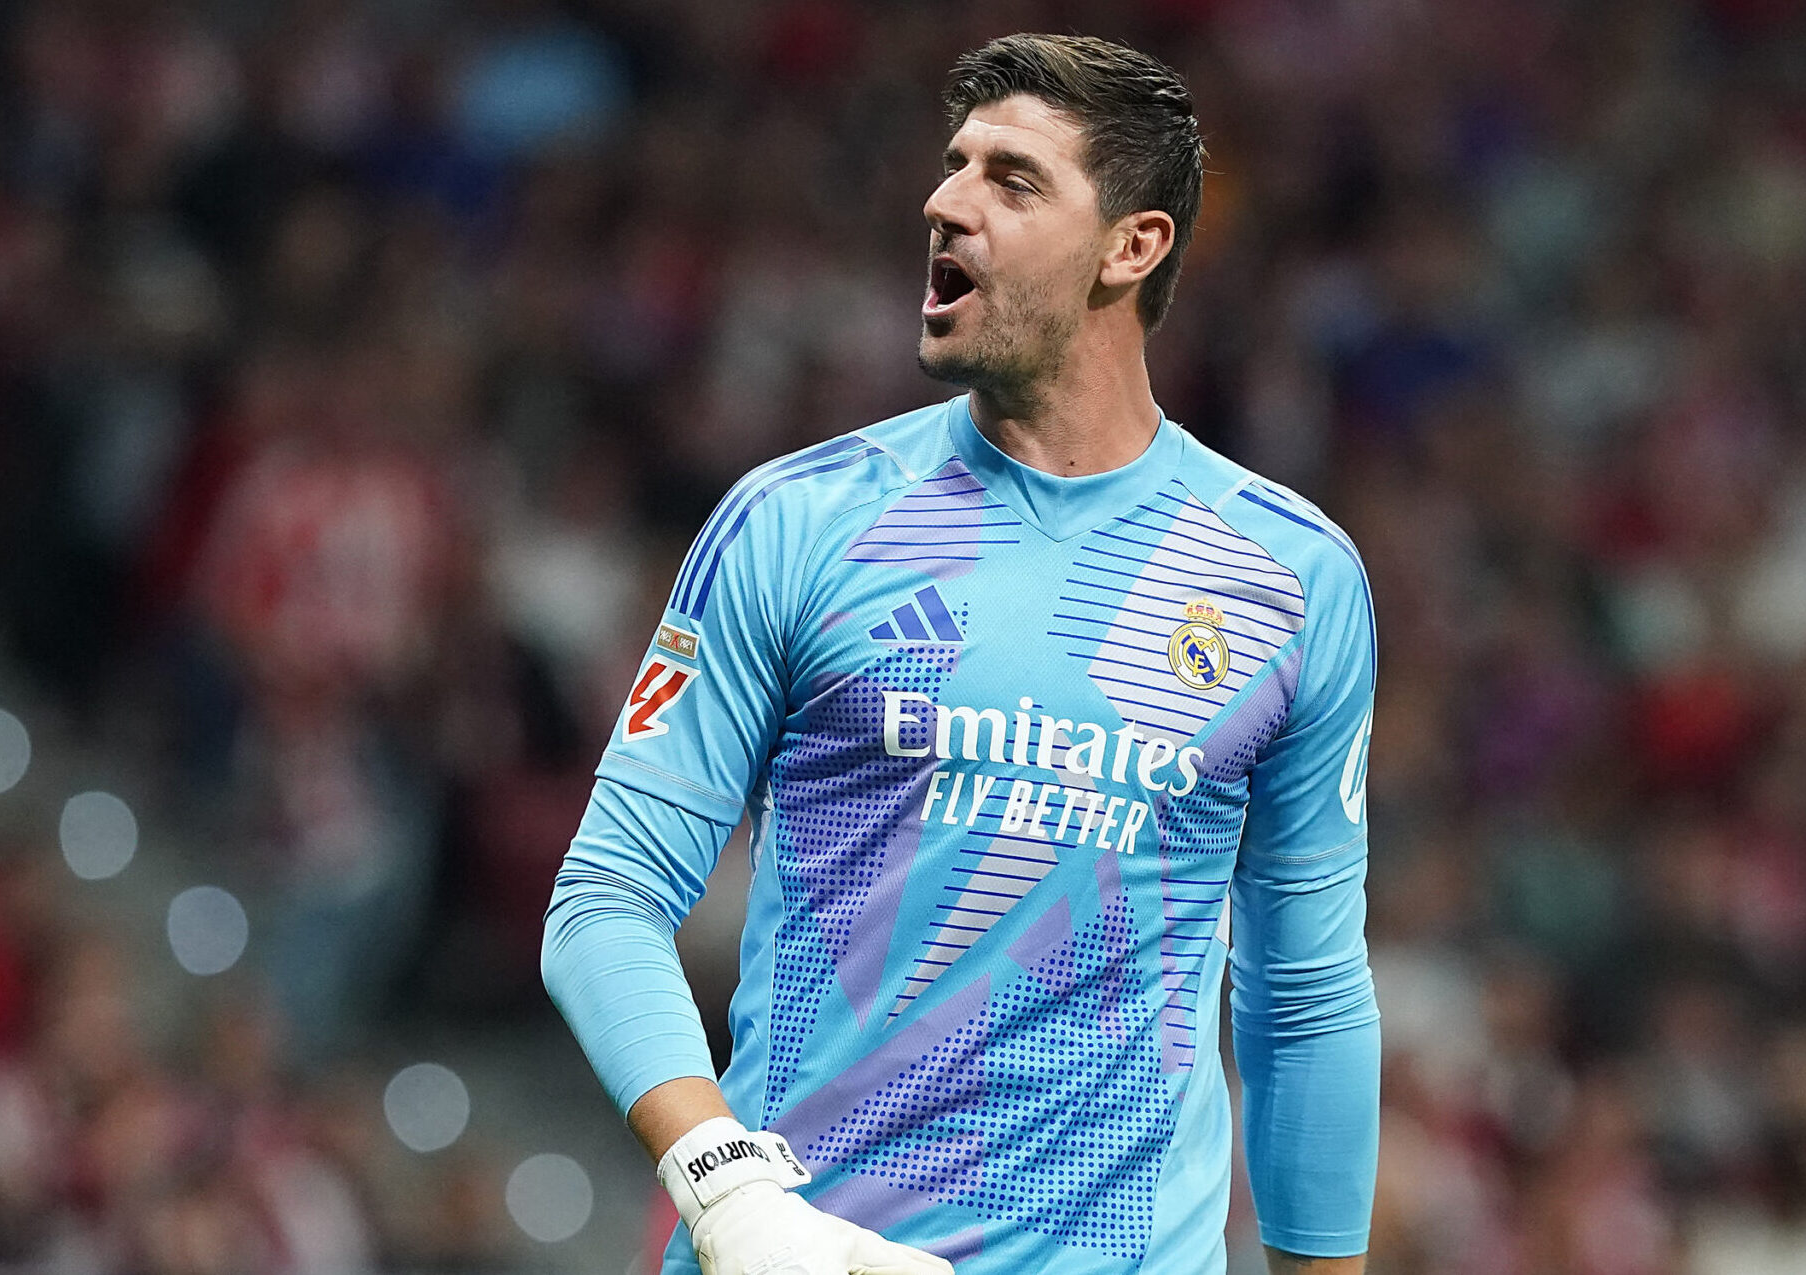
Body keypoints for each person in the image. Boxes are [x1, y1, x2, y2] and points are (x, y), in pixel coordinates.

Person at [542, 32, 1379, 1275]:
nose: (945, 202)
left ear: (1131, 248)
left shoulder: (1288, 580)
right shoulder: (797, 523)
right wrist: (728, 1192)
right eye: (953, 165)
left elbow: (1304, 999)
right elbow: (604, 900)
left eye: (1013, 178)